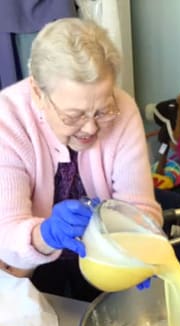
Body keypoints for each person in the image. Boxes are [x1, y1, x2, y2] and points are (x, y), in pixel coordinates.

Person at [0, 18, 162, 301]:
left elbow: (140, 206)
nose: (91, 128)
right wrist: (45, 235)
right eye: (73, 116)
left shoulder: (123, 109)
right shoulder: (8, 120)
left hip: (102, 254)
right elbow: (7, 233)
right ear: (39, 94)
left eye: (102, 111)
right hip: (26, 264)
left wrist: (141, 246)